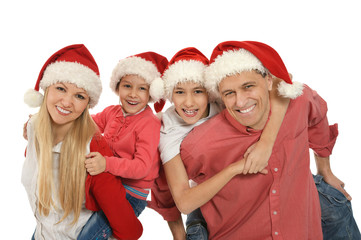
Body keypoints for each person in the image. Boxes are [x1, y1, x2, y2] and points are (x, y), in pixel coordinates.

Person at [177, 40, 343, 239]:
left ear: (269, 81)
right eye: (229, 93)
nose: (240, 101)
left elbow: (318, 119)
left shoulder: (299, 101)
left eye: (248, 87)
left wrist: (325, 169)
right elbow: (169, 188)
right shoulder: (200, 144)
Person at [148, 47, 290, 240]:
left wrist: (266, 142)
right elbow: (183, 201)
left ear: (210, 93)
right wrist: (234, 169)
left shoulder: (228, 102)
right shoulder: (169, 131)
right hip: (205, 203)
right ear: (170, 95)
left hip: (251, 194)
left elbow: (284, 82)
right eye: (180, 92)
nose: (189, 103)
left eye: (198, 91)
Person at [22, 44, 142, 240]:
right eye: (61, 88)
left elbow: (129, 229)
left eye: (79, 96)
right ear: (46, 89)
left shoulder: (92, 147)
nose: (67, 102)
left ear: (87, 104)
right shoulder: (35, 128)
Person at [84, 52, 168, 218]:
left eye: (142, 88)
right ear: (118, 87)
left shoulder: (148, 123)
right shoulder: (112, 112)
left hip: (132, 193)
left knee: (91, 234)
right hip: (109, 184)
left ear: (151, 93)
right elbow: (86, 125)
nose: (133, 94)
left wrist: (106, 164)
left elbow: (142, 168)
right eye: (127, 86)